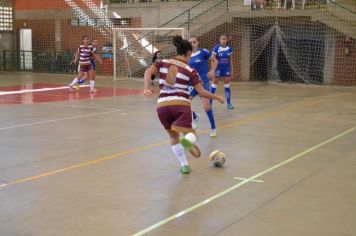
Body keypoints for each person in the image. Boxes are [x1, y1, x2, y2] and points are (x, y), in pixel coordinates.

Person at [143, 35, 224, 174]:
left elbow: (148, 71)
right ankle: (188, 140)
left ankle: (184, 165)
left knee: (173, 136)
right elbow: (202, 92)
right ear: (188, 53)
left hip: (162, 107)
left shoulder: (162, 62)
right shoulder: (190, 70)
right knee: (190, 134)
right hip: (180, 105)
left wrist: (147, 87)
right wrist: (216, 97)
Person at [188, 36, 218, 137]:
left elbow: (215, 61)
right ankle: (194, 116)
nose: (192, 44)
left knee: (206, 107)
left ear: (197, 43)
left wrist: (212, 71)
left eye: (194, 42)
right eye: (190, 42)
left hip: (203, 83)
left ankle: (213, 128)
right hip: (191, 84)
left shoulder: (203, 52)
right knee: (184, 103)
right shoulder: (186, 55)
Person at [210, 34, 234, 109]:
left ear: (227, 40)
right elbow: (212, 59)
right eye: (222, 39)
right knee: (214, 85)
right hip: (218, 68)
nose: (223, 40)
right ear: (220, 40)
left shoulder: (229, 49)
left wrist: (231, 69)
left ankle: (229, 103)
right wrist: (212, 70)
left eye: (225, 39)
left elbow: (230, 59)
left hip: (226, 68)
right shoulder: (216, 48)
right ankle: (210, 103)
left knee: (227, 85)